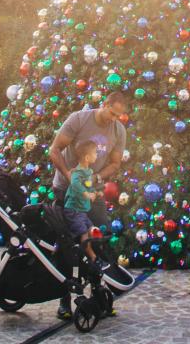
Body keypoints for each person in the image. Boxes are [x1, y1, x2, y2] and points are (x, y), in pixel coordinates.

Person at [49, 90, 131, 315]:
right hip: (66, 190)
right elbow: (54, 150)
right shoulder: (79, 119)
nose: (114, 119)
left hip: (92, 192)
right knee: (67, 244)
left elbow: (115, 163)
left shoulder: (119, 130)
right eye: (112, 113)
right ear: (104, 104)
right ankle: (64, 300)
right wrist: (69, 176)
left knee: (98, 240)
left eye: (119, 116)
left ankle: (98, 296)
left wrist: (95, 178)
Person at [62, 140, 103, 263]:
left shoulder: (88, 172)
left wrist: (95, 192)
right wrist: (86, 194)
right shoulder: (77, 173)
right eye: (95, 153)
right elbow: (75, 184)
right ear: (87, 158)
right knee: (84, 233)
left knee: (92, 229)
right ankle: (91, 256)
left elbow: (88, 186)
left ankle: (99, 250)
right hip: (73, 210)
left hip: (82, 211)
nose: (97, 155)